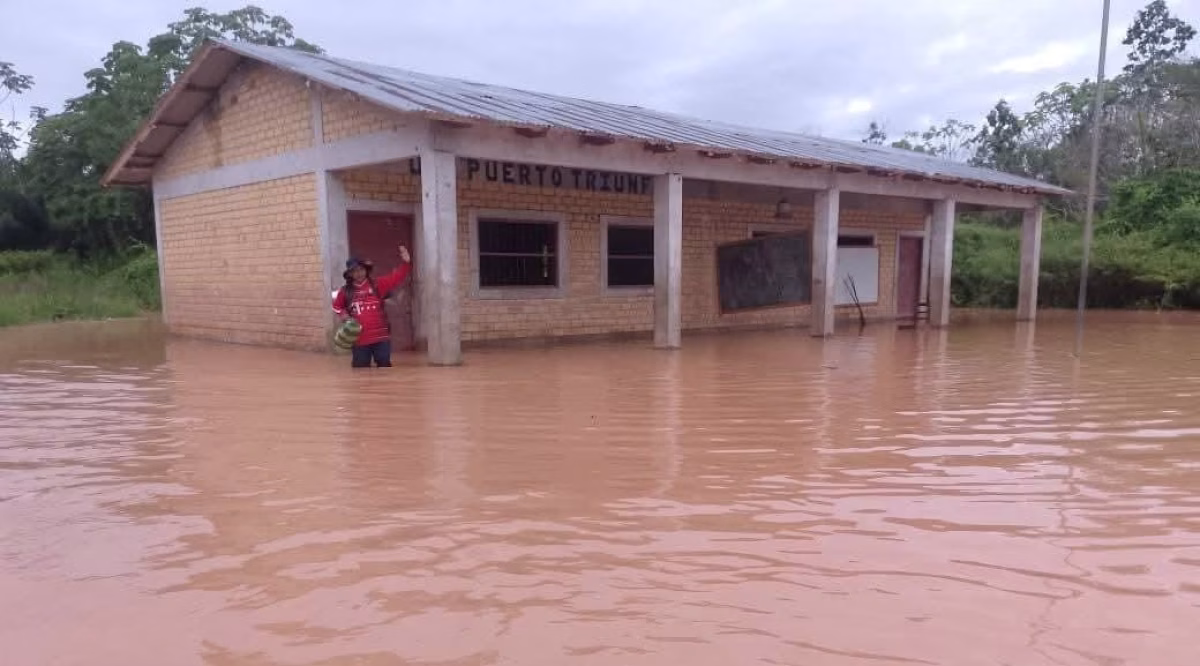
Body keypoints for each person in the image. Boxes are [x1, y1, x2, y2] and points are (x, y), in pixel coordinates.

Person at [332, 245, 412, 368]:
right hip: (359, 341)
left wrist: (406, 263)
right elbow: (337, 306)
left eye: (361, 270)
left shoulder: (378, 285)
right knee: (360, 372)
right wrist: (345, 316)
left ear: (366, 270)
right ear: (350, 274)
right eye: (354, 271)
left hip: (381, 338)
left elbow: (396, 278)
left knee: (384, 369)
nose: (358, 273)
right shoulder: (345, 291)